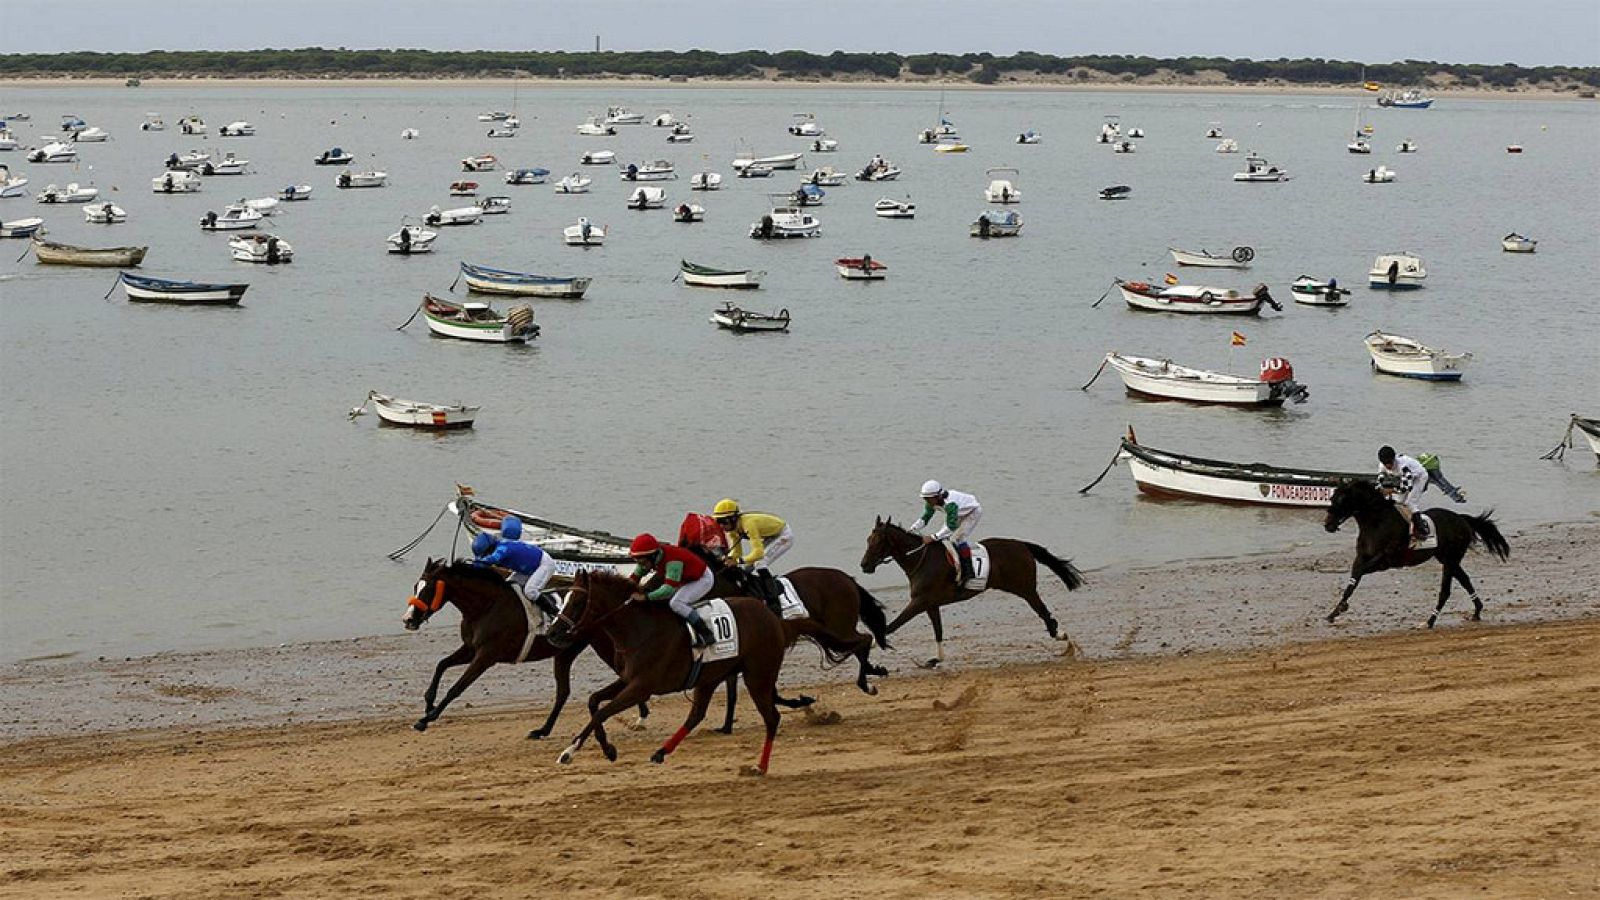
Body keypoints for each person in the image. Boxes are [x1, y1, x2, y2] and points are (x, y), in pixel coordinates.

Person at [628, 534, 717, 648]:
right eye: (638, 563)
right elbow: (635, 577)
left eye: (643, 563)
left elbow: (668, 590)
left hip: (701, 579)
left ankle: (705, 633)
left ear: (653, 557)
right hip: (685, 578)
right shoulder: (651, 557)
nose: (642, 566)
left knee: (676, 603)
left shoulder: (673, 561)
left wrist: (645, 597)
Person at [712, 499, 793, 610]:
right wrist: (728, 558)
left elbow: (758, 553)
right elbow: (737, 552)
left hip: (783, 535)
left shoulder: (749, 524)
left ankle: (774, 602)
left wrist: (737, 561)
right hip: (770, 536)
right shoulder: (732, 530)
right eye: (719, 522)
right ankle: (755, 594)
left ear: (733, 518)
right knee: (747, 567)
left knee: (760, 563)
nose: (722, 526)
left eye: (724, 522)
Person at [471, 516, 559, 616]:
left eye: (484, 554)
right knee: (508, 587)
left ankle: (554, 613)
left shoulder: (503, 548)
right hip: (528, 568)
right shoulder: (500, 546)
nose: (485, 556)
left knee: (530, 591)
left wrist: (477, 563)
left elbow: (492, 560)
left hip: (543, 564)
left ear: (489, 549)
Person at [910, 481, 983, 582]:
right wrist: (912, 529)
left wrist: (933, 537)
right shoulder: (932, 502)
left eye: (928, 499)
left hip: (972, 512)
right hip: (957, 513)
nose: (926, 501)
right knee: (944, 537)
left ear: (938, 496)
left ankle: (969, 570)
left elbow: (951, 526)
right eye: (925, 498)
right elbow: (925, 518)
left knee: (957, 538)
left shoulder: (950, 504)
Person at [1378, 446, 1431, 542]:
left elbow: (1406, 488)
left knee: (1410, 503)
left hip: (1419, 477)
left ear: (1394, 459)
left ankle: (1421, 529)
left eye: (1390, 463)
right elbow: (1380, 481)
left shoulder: (1403, 466)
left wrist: (1391, 490)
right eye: (1385, 464)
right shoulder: (1382, 465)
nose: (1388, 466)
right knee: (1397, 501)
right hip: (1404, 479)